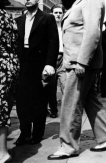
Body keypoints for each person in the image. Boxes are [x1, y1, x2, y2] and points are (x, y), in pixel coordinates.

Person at [48, 0, 106, 160]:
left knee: (71, 103)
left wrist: (82, 61)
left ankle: (68, 146)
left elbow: (92, 32)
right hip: (78, 61)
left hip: (79, 63)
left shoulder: (90, 1)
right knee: (89, 100)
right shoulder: (79, 2)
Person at [15, 0, 59, 145]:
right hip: (22, 63)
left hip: (40, 63)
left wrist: (49, 64)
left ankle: (37, 134)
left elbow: (54, 41)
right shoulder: (18, 20)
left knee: (39, 100)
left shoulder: (47, 18)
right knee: (22, 101)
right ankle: (24, 133)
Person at [0, 0, 19, 162]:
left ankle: (2, 153)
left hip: (1, 64)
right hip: (10, 64)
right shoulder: (8, 16)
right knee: (4, 106)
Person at [47, 4, 66, 118]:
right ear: (52, 13)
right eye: (56, 12)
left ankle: (66, 111)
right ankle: (53, 109)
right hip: (52, 58)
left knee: (65, 85)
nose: (58, 15)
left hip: (64, 58)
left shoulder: (65, 27)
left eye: (60, 13)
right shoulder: (48, 27)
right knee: (51, 86)